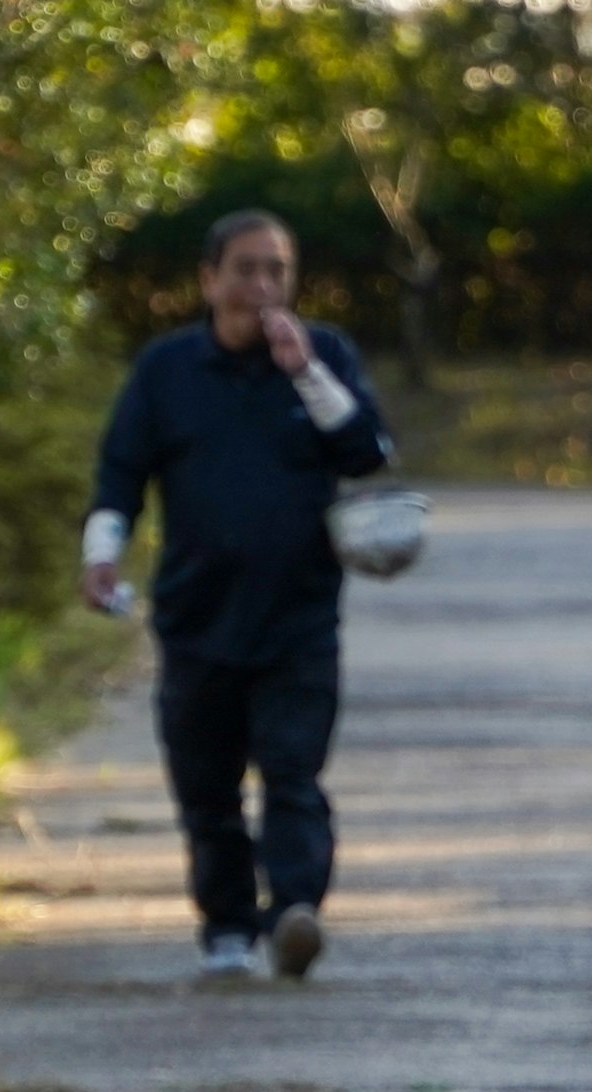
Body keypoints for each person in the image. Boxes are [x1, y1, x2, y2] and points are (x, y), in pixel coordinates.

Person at [85, 211, 394, 981]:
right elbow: (120, 472)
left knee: (293, 771)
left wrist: (306, 373)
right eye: (247, 269)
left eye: (277, 271)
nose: (262, 286)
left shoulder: (323, 356)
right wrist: (103, 556)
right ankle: (227, 926)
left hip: (300, 612)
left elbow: (367, 454)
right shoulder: (167, 370)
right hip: (196, 616)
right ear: (209, 279)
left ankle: (295, 912)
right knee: (206, 786)